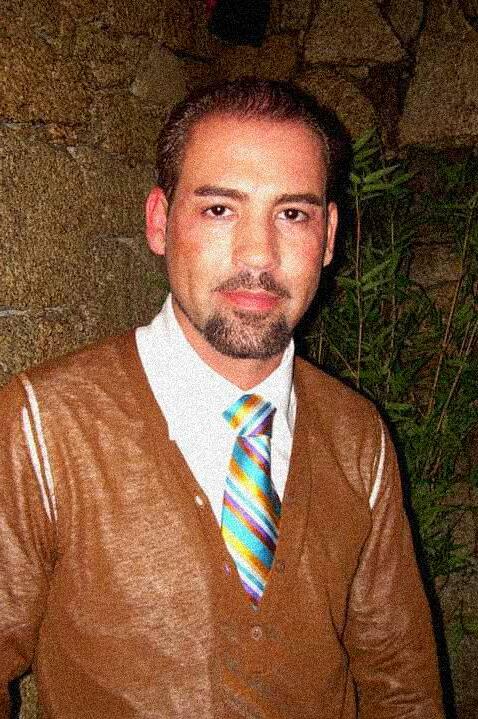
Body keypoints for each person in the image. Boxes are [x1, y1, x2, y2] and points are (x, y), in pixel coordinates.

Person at [0, 78, 444, 718]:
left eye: (292, 214)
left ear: (327, 236)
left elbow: (401, 684)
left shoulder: (357, 434)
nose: (258, 254)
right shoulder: (46, 424)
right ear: (160, 221)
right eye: (219, 210)